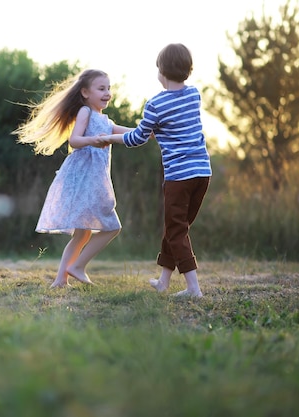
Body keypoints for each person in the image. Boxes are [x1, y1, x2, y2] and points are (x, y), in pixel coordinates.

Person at [99, 43, 212, 298]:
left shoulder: (155, 104)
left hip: (179, 177)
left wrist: (109, 137)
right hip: (202, 173)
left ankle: (193, 289)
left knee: (176, 230)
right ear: (187, 70)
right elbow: (162, 128)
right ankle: (163, 281)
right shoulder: (194, 95)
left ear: (161, 71)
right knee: (176, 228)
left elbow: (139, 137)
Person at [13, 69, 132, 288]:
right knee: (112, 227)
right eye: (101, 88)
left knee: (82, 233)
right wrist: (92, 140)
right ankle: (77, 266)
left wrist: (152, 131)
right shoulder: (85, 112)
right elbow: (74, 141)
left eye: (109, 88)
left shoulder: (106, 120)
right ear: (85, 92)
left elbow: (131, 135)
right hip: (84, 178)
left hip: (94, 179)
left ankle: (60, 280)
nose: (107, 93)